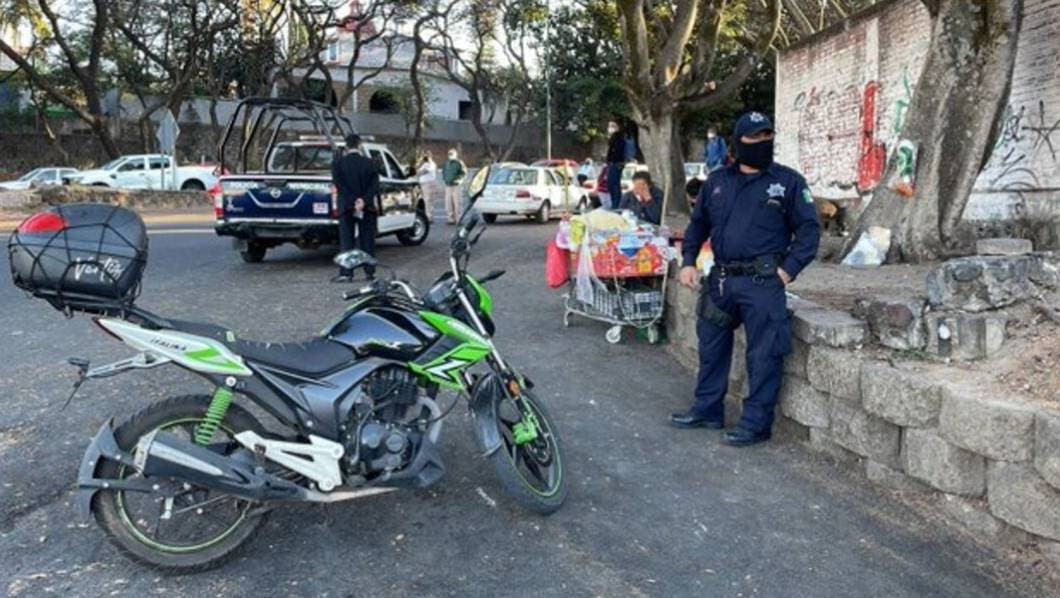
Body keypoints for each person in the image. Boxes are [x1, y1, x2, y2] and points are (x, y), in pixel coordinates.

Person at [670, 112, 821, 446]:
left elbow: (809, 232)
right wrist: (688, 261)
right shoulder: (717, 182)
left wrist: (788, 270)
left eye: (768, 136)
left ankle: (755, 424)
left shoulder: (788, 182)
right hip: (721, 280)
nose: (763, 142)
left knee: (764, 356)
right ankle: (707, 410)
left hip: (763, 283)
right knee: (711, 347)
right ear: (738, 142)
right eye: (755, 137)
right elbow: (698, 225)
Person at [331, 133, 381, 281]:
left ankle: (346, 272)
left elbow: (340, 186)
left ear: (346, 147)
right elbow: (374, 186)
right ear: (360, 146)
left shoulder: (338, 164)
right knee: (367, 239)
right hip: (367, 207)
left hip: (346, 206)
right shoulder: (370, 163)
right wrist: (363, 200)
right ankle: (369, 272)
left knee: (347, 240)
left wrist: (353, 200)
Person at [442, 148, 466, 224]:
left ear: (456, 154)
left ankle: (459, 219)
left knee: (457, 203)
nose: (450, 155)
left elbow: (464, 173)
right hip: (448, 185)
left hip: (456, 186)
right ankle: (450, 219)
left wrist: (458, 180)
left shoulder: (459, 163)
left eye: (452, 154)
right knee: (448, 203)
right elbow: (444, 172)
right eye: (449, 154)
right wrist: (445, 179)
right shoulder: (447, 163)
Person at [605, 121, 625, 210]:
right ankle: (614, 203)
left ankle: (616, 205)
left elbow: (618, 151)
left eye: (613, 126)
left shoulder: (620, 138)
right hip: (612, 163)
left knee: (614, 184)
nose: (610, 128)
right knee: (610, 184)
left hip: (617, 163)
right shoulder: (613, 138)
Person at [417, 152, 438, 222]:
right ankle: (425, 216)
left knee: (428, 201)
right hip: (422, 184)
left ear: (430, 157)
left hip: (429, 184)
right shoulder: (424, 164)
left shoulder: (432, 164)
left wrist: (419, 172)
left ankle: (429, 217)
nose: (426, 158)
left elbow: (423, 172)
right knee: (422, 201)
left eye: (427, 157)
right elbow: (417, 171)